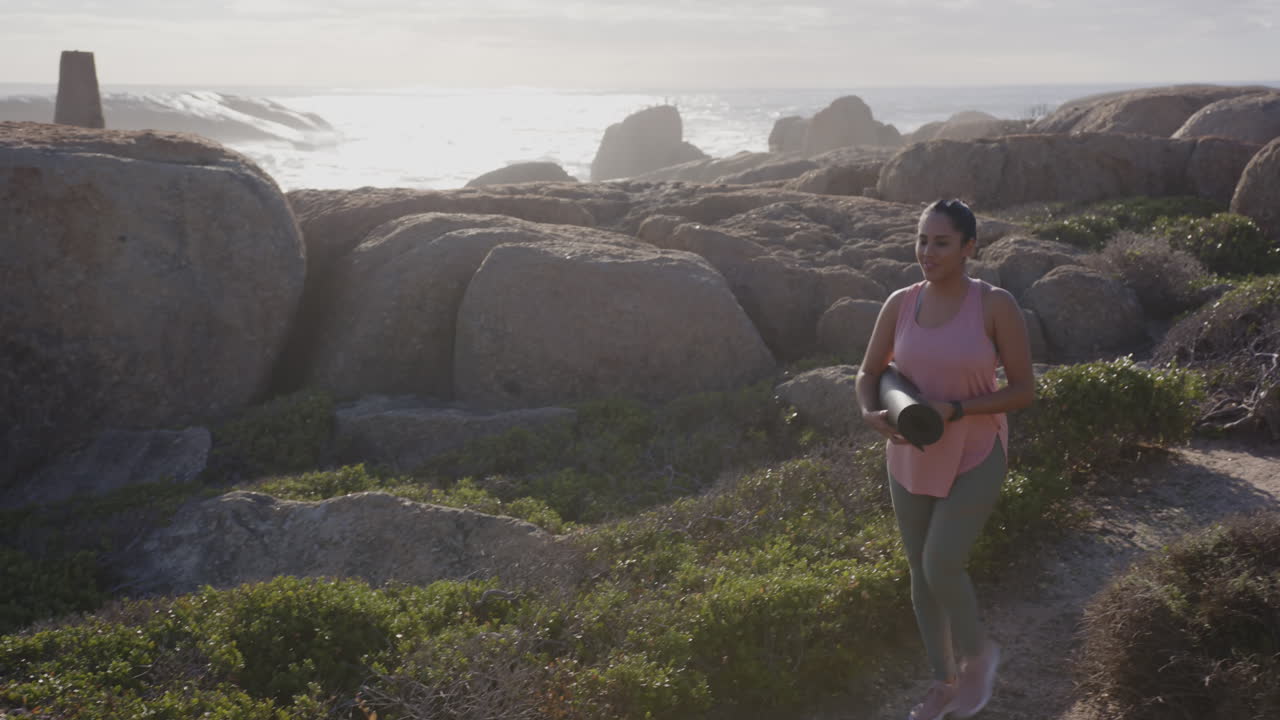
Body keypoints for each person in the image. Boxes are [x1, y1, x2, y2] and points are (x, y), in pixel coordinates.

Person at [855, 199, 1035, 720]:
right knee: (919, 570)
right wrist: (870, 411)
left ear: (969, 247)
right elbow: (869, 372)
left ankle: (979, 654)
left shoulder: (995, 304)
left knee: (941, 562)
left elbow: (1023, 390)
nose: (927, 252)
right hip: (910, 453)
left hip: (977, 450)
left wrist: (956, 408)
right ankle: (943, 682)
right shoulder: (900, 302)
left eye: (941, 242)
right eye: (921, 241)